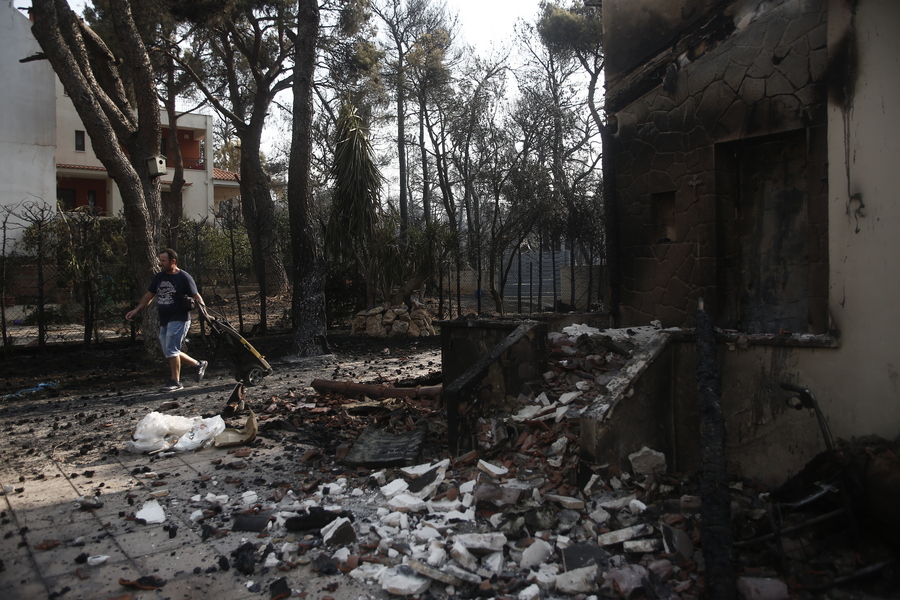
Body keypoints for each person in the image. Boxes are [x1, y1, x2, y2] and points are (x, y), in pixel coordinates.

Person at [126, 249, 208, 392]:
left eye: (163, 260)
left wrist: (205, 314)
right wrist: (136, 310)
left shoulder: (184, 277)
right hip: (165, 319)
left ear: (173, 261)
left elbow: (196, 296)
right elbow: (148, 295)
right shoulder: (159, 277)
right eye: (160, 260)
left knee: (171, 349)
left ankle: (175, 381)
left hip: (180, 318)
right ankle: (197, 364)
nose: (160, 263)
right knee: (168, 351)